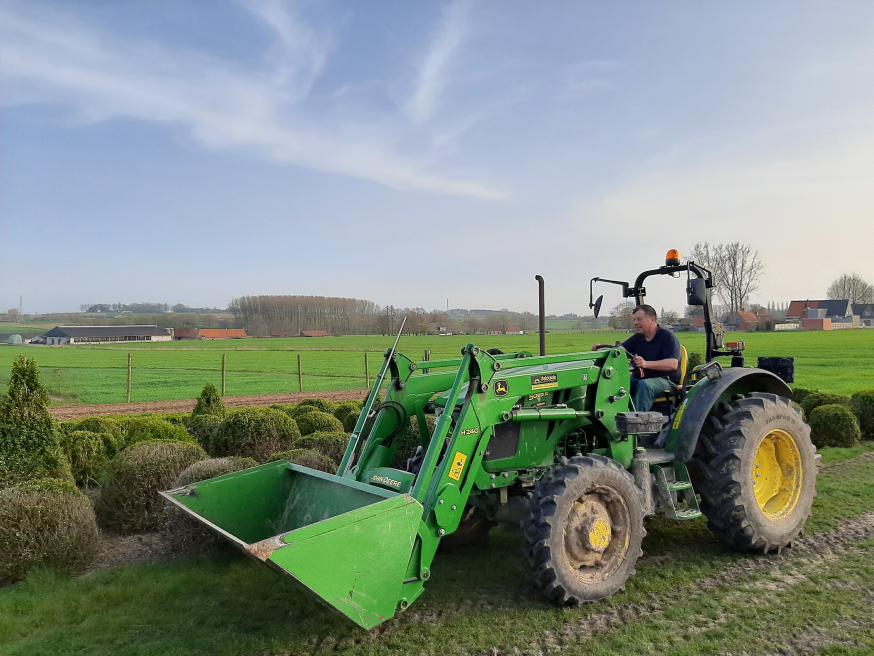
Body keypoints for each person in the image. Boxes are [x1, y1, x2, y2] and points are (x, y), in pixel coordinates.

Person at [621, 305, 681, 412]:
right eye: (634, 319)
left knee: (645, 386)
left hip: (666, 381)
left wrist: (646, 364)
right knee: (619, 382)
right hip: (641, 378)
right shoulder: (637, 337)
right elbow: (620, 350)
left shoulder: (667, 337)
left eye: (639, 319)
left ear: (652, 319)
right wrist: (603, 348)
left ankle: (638, 423)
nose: (635, 323)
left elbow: (673, 364)